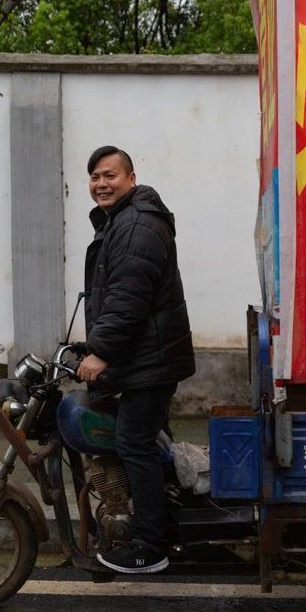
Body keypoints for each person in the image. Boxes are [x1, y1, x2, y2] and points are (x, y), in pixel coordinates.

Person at [76, 145, 195, 574]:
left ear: (130, 177)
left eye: (109, 175)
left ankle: (149, 545)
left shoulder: (138, 224)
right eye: (94, 177)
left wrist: (102, 352)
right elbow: (114, 296)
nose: (101, 184)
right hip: (147, 355)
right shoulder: (122, 221)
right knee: (146, 441)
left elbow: (129, 298)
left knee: (134, 443)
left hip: (151, 359)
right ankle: (164, 521)